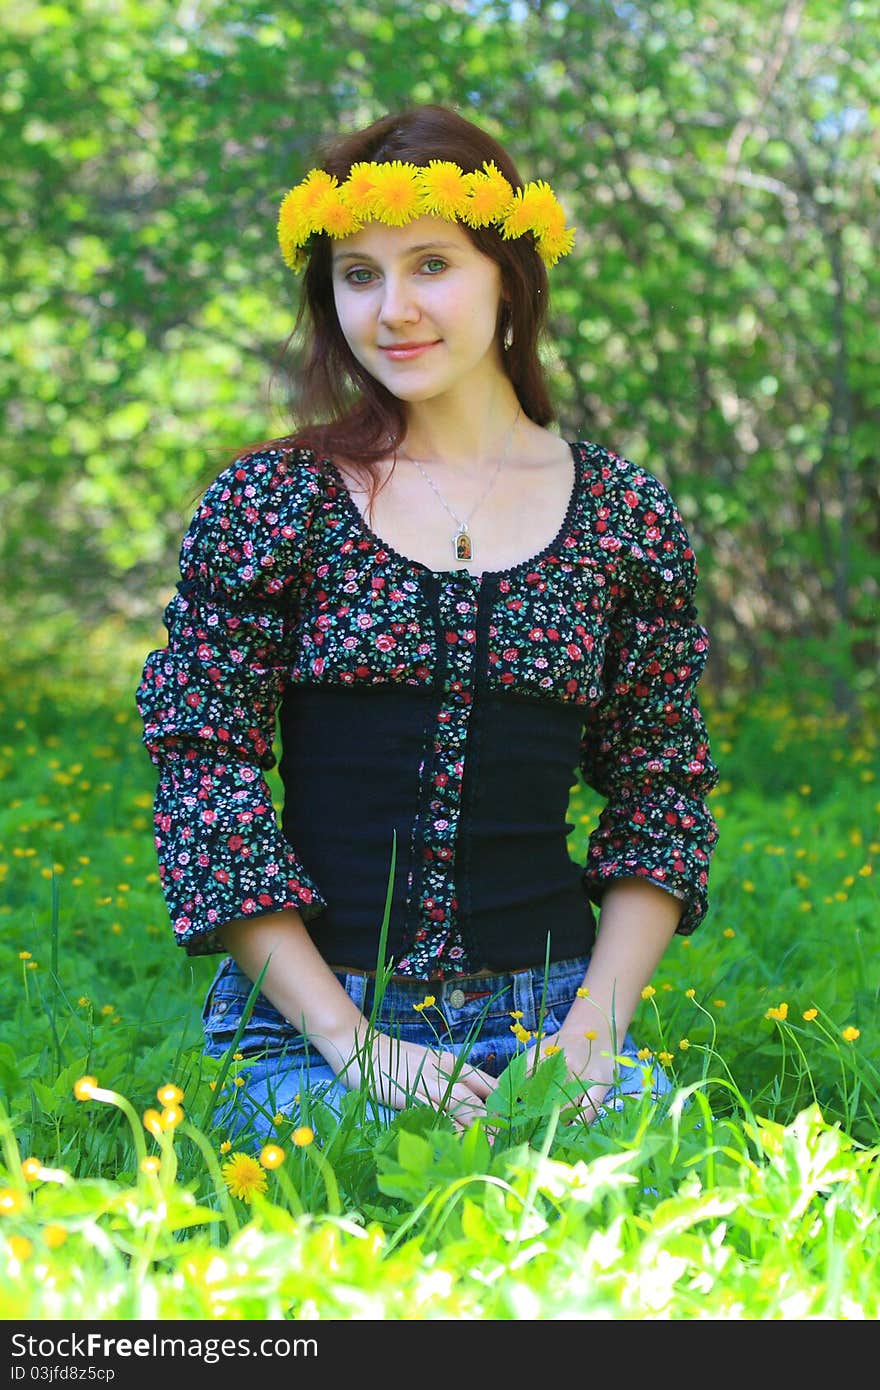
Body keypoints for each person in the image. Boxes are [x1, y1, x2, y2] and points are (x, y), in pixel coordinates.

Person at [136, 103, 719, 1145]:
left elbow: (659, 791)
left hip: (554, 1023)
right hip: (313, 1028)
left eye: (431, 265)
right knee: (347, 1166)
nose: (392, 308)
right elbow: (204, 774)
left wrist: (594, 1030)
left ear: (511, 277)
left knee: (647, 1162)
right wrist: (350, 1038)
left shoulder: (624, 514)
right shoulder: (274, 501)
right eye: (358, 274)